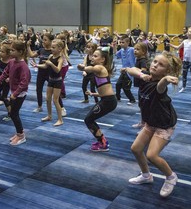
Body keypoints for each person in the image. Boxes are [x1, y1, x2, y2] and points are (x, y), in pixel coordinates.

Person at [125, 52, 182, 198]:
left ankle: (171, 177)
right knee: (136, 149)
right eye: (155, 61)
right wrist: (141, 75)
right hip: (151, 122)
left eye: (161, 65)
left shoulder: (159, 86)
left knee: (151, 155)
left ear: (167, 71)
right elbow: (130, 69)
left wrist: (165, 79)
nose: (155, 65)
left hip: (164, 125)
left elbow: (161, 85)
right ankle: (146, 175)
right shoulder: (146, 77)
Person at [77, 49, 117, 152]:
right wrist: (92, 94)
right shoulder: (100, 69)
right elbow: (104, 91)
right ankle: (102, 141)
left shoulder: (99, 68)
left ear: (102, 59)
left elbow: (90, 68)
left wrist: (83, 68)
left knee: (88, 120)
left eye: (95, 56)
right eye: (92, 56)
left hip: (108, 101)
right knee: (89, 119)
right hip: (107, 99)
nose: (92, 58)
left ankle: (103, 143)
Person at [0, 40, 31, 146]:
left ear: (20, 52)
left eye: (13, 50)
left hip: (19, 94)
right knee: (13, 114)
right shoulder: (11, 62)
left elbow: (24, 83)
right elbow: (5, 72)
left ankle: (21, 135)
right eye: (10, 50)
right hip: (14, 92)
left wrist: (15, 94)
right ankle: (19, 133)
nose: (10, 52)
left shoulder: (23, 66)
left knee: (14, 114)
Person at [31, 39, 65, 127]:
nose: (52, 49)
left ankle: (60, 119)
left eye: (54, 48)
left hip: (57, 81)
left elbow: (58, 69)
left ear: (60, 49)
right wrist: (36, 65)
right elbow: (45, 66)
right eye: (52, 47)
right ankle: (49, 115)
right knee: (48, 99)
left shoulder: (61, 58)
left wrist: (51, 64)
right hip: (51, 80)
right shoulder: (50, 56)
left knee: (55, 100)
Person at [28, 32, 53, 113]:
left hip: (50, 74)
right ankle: (39, 106)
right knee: (38, 89)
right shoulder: (41, 50)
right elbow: (31, 55)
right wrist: (28, 46)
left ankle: (62, 108)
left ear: (51, 41)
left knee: (55, 91)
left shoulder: (53, 51)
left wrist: (36, 65)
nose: (43, 41)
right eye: (43, 40)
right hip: (41, 73)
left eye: (45, 40)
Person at [114, 35, 136, 105]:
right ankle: (117, 97)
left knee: (126, 87)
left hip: (130, 72)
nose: (121, 44)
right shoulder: (121, 50)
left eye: (123, 42)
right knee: (118, 84)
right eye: (120, 42)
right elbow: (116, 54)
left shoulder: (132, 49)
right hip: (123, 71)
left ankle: (132, 99)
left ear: (128, 43)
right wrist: (114, 46)